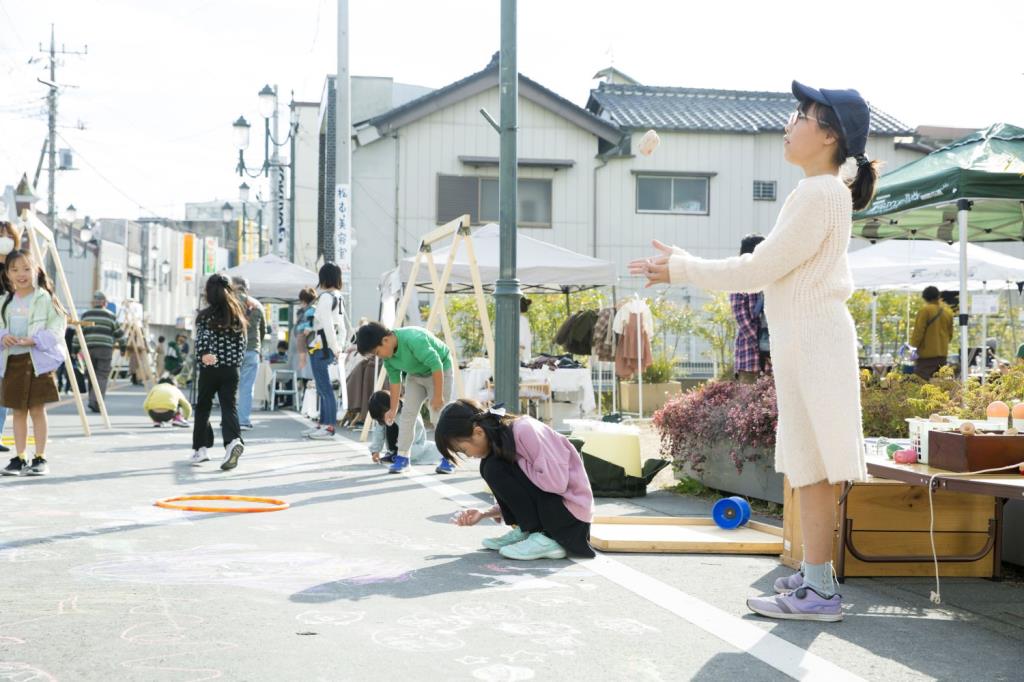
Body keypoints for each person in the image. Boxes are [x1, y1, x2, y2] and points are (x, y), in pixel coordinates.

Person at [630, 81, 878, 622]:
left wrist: (682, 267)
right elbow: (766, 269)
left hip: (814, 344)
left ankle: (819, 590)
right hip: (807, 343)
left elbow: (757, 268)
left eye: (800, 115)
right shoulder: (818, 190)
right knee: (809, 469)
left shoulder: (820, 193)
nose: (789, 123)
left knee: (814, 469)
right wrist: (684, 265)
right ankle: (816, 581)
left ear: (829, 133)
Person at [436, 400, 595, 560]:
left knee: (494, 466)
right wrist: (485, 514)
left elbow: (556, 483)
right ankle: (529, 532)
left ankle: (550, 539)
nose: (468, 455)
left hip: (571, 519)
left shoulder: (525, 430)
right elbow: (522, 485)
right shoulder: (504, 438)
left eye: (463, 450)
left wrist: (517, 461)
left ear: (478, 432)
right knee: (491, 465)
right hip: (556, 510)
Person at [0, 250, 67, 476]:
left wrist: (36, 340)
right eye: (15, 269)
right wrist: (3, 337)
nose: (21, 274)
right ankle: (20, 458)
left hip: (38, 362)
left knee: (37, 410)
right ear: (7, 274)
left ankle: (40, 458)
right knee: (18, 412)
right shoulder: (4, 302)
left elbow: (58, 328)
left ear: (36, 270)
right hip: (14, 363)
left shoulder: (45, 298)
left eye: (27, 269)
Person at [355, 321, 453, 473]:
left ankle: (448, 458)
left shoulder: (413, 339)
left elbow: (436, 364)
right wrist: (393, 410)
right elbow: (395, 383)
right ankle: (403, 458)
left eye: (377, 352)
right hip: (415, 375)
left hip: (439, 371)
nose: (379, 356)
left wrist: (438, 396)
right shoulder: (388, 358)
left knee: (437, 414)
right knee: (407, 414)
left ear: (385, 340)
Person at [190, 274, 247, 470]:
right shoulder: (238, 315)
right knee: (228, 406)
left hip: (210, 368)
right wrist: (234, 362)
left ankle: (201, 449)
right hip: (232, 369)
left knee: (203, 407)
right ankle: (232, 442)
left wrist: (205, 353)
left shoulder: (205, 316)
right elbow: (243, 344)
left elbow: (203, 338)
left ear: (208, 292)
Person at [305, 264, 346, 440]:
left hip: (321, 346)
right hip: (329, 346)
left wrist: (334, 347)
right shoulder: (339, 296)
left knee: (324, 388)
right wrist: (338, 347)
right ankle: (323, 424)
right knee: (324, 387)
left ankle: (328, 426)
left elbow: (327, 325)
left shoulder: (325, 298)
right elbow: (342, 327)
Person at [366, 390, 451, 473]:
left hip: (414, 444)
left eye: (381, 418)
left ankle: (399, 455)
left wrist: (402, 447)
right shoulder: (383, 416)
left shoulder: (408, 411)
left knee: (424, 451)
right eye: (380, 419)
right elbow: (378, 432)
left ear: (390, 407)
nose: (382, 420)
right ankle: (395, 454)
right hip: (396, 448)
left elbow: (418, 430)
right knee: (396, 451)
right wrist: (375, 451)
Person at [71, 291, 123, 413]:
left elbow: (78, 333)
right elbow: (119, 334)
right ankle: (97, 402)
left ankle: (92, 400)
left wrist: (74, 349)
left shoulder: (86, 315)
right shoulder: (110, 315)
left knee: (91, 375)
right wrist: (123, 347)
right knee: (102, 375)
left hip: (88, 349)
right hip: (105, 349)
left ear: (94, 302)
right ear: (104, 303)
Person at [729, 234, 771, 383]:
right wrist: (764, 349)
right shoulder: (738, 281)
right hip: (749, 358)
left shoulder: (770, 278)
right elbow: (743, 320)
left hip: (774, 360)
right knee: (747, 402)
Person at [231, 277, 266, 432]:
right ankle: (243, 421)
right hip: (252, 349)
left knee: (229, 386)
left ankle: (229, 419)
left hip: (232, 350)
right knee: (247, 387)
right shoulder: (257, 305)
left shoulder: (230, 303)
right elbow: (263, 330)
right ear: (247, 287)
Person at [0, 220, 21, 453]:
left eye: (7, 234)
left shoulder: (17, 266)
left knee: (4, 387)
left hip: (12, 335)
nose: (4, 238)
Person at [910, 285, 953, 380]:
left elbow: (918, 333)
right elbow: (950, 336)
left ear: (924, 297)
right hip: (942, 355)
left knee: (919, 384)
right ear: (938, 296)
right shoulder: (947, 313)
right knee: (939, 385)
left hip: (926, 356)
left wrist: (913, 348)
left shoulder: (925, 311)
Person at [519, 297, 534, 363]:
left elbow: (521, 339)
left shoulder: (520, 320)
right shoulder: (523, 319)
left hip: (521, 354)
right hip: (524, 355)